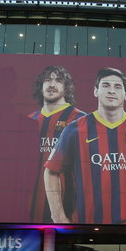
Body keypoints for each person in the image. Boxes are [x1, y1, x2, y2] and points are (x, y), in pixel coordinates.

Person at [45, 67, 126, 224]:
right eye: (105, 85)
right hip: (85, 225)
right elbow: (51, 171)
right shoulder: (75, 129)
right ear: (96, 91)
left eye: (117, 87)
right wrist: (58, 216)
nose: (111, 91)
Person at [28, 66, 86, 223]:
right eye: (47, 80)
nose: (52, 84)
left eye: (58, 80)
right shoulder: (28, 121)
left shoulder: (81, 120)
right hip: (29, 209)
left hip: (68, 209)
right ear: (40, 86)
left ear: (66, 88)